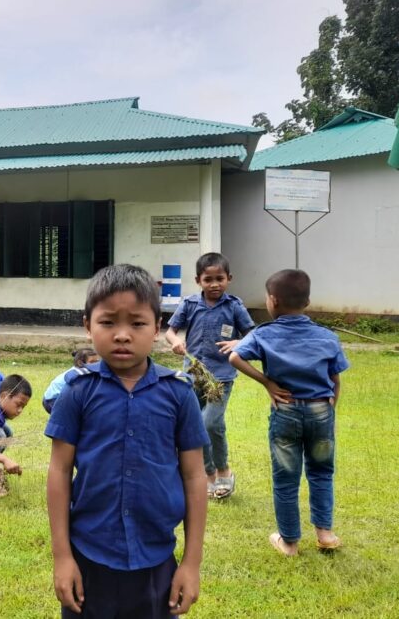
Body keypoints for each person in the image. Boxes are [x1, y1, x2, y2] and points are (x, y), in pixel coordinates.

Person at [46, 263, 208, 618]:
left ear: (157, 327)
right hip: (88, 561)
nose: (122, 335)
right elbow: (59, 471)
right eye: (108, 322)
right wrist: (62, 557)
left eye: (137, 323)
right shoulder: (78, 393)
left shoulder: (179, 396)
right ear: (87, 325)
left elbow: (195, 476)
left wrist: (191, 563)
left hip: (157, 562)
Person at [229, 269, 348, 557]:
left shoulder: (264, 334)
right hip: (321, 410)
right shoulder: (326, 336)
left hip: (285, 412)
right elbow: (335, 378)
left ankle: (289, 541)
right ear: (307, 302)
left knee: (286, 477)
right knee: (321, 472)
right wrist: (331, 404)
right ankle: (326, 534)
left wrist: (267, 382)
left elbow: (234, 357)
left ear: (272, 301)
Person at [165, 252, 255, 499]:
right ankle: (209, 475)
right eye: (208, 279)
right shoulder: (190, 304)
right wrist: (175, 342)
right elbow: (170, 331)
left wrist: (238, 342)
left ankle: (224, 470)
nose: (214, 284)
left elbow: (252, 334)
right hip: (193, 375)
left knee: (210, 422)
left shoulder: (234, 305)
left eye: (220, 278)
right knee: (197, 425)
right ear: (198, 280)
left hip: (221, 376)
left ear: (229, 278)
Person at [42, 347, 99, 414]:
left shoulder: (83, 371)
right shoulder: (78, 373)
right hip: (53, 400)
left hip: (54, 398)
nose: (96, 365)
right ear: (80, 363)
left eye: (97, 362)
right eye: (92, 362)